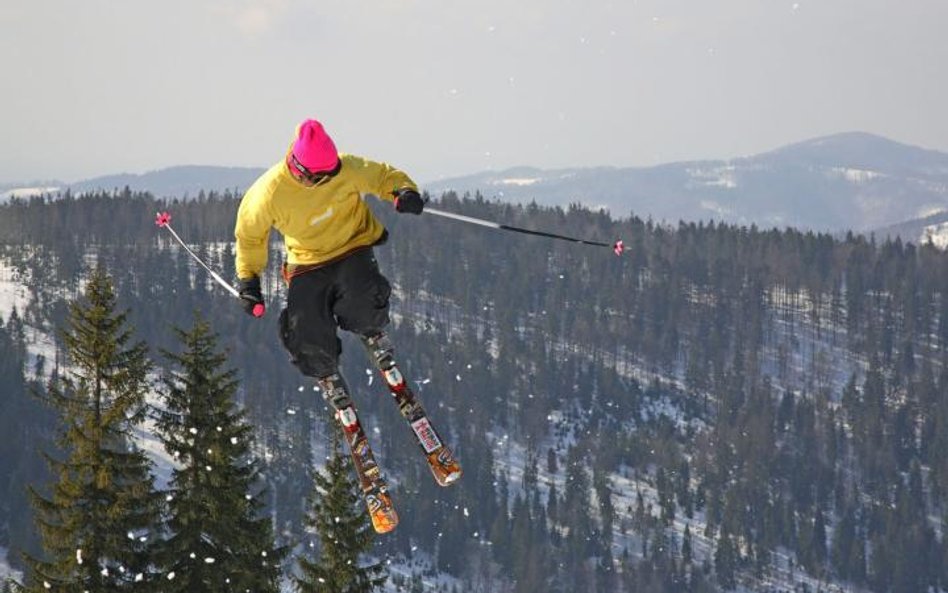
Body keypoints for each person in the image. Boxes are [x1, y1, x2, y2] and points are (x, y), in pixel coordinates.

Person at [232, 118, 458, 533]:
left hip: (353, 247)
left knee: (363, 292)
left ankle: (370, 329)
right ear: (302, 170)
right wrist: (248, 280)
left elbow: (383, 175)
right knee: (304, 333)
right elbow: (249, 236)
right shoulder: (269, 192)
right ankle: (327, 375)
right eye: (324, 174)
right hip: (307, 264)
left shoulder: (345, 167)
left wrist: (403, 191)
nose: (332, 177)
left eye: (334, 170)